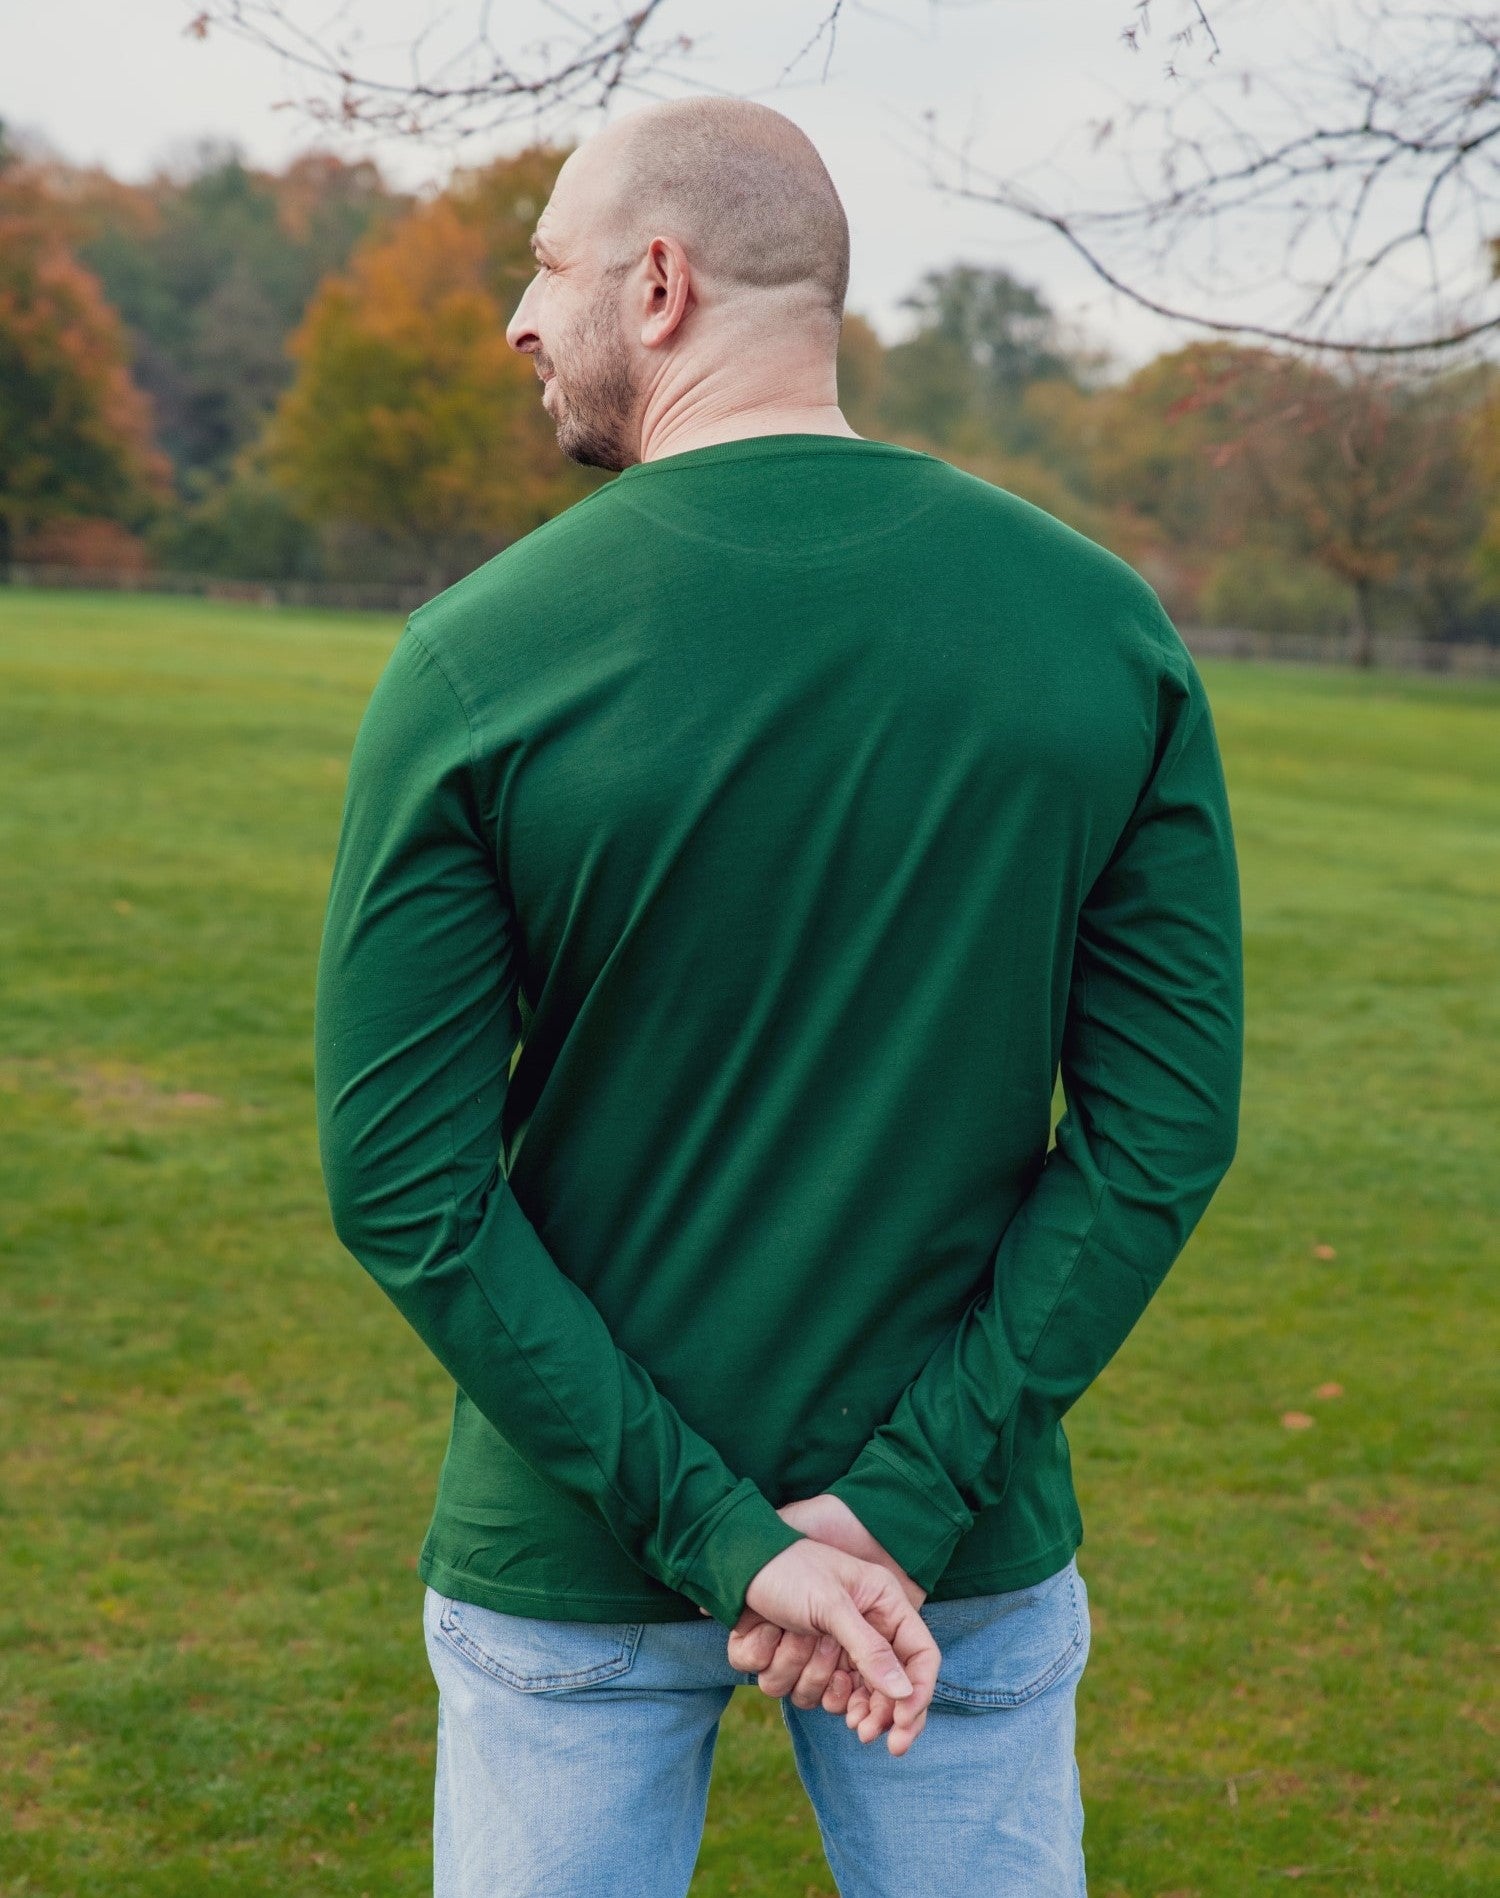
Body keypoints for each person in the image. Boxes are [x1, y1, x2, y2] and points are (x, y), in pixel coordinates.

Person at [312, 93, 1243, 1898]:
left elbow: (404, 1189)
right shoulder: (1105, 629)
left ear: (657, 282)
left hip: (581, 1545)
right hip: (945, 1558)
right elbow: (1159, 1135)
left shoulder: (472, 658)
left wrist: (725, 1533)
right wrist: (889, 1501)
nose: (519, 316)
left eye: (546, 265)